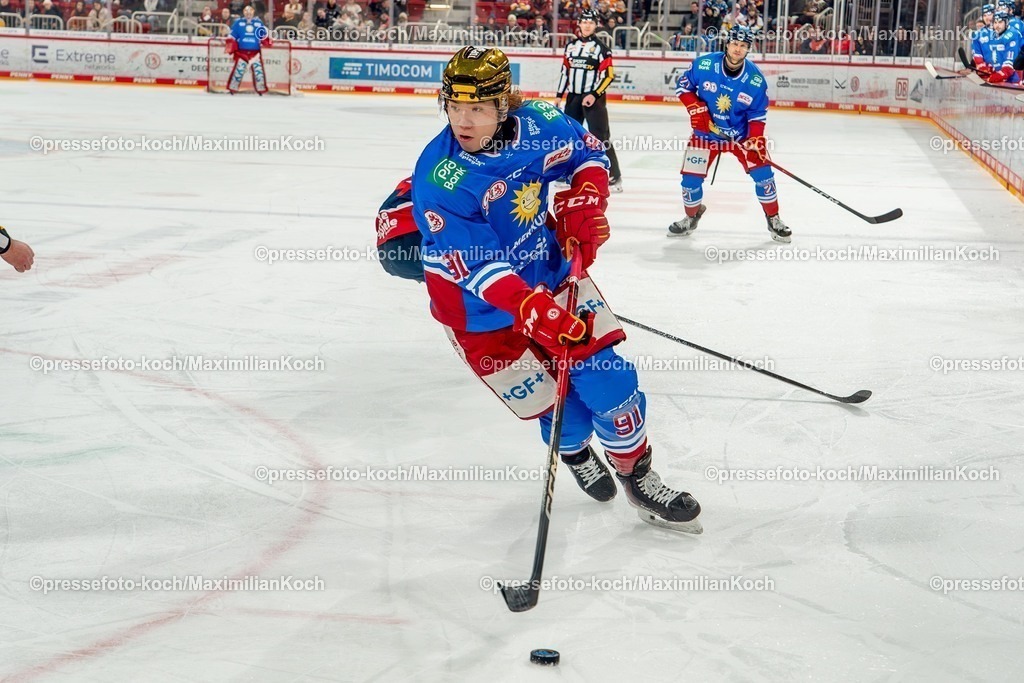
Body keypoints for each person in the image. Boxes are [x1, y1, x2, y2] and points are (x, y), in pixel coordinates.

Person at [407, 46, 702, 533]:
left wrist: (587, 198)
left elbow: (588, 154)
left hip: (550, 273)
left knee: (611, 383)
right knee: (566, 415)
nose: (464, 121)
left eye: (477, 108)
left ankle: (638, 476)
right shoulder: (440, 176)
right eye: (454, 107)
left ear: (504, 106)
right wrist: (530, 308)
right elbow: (477, 266)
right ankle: (577, 451)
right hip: (480, 314)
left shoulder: (542, 122)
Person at [670, 25, 790, 242]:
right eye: (735, 43)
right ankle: (691, 216)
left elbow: (757, 114)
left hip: (741, 136)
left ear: (748, 49)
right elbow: (682, 87)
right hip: (706, 134)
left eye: (743, 46)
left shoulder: (755, 80)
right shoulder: (705, 64)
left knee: (764, 176)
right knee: (689, 181)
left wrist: (755, 140)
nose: (737, 49)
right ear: (727, 43)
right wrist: (695, 108)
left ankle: (773, 218)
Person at [554, 10, 623, 191]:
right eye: (584, 22)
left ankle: (615, 176)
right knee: (569, 137)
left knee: (601, 137)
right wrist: (558, 96)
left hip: (594, 99)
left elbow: (609, 76)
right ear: (579, 24)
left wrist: (594, 94)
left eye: (590, 22)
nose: (587, 25)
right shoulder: (570, 47)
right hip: (573, 98)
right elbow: (564, 73)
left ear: (595, 25)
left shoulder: (602, 49)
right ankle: (565, 172)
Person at [225, 6, 272, 94]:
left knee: (259, 72)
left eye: (250, 12)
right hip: (241, 52)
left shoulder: (258, 23)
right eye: (246, 12)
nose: (248, 13)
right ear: (243, 13)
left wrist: (267, 41)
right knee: (238, 71)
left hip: (255, 53)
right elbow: (232, 36)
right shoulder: (238, 22)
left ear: (253, 12)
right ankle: (232, 89)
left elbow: (263, 36)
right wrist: (230, 45)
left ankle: (261, 89)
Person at [979, 10, 1021, 83]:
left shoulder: (1012, 35)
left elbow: (1009, 67)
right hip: (998, 79)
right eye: (995, 22)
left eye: (1000, 22)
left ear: (1006, 23)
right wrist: (988, 68)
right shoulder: (993, 35)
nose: (997, 25)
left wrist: (998, 76)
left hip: (1012, 82)